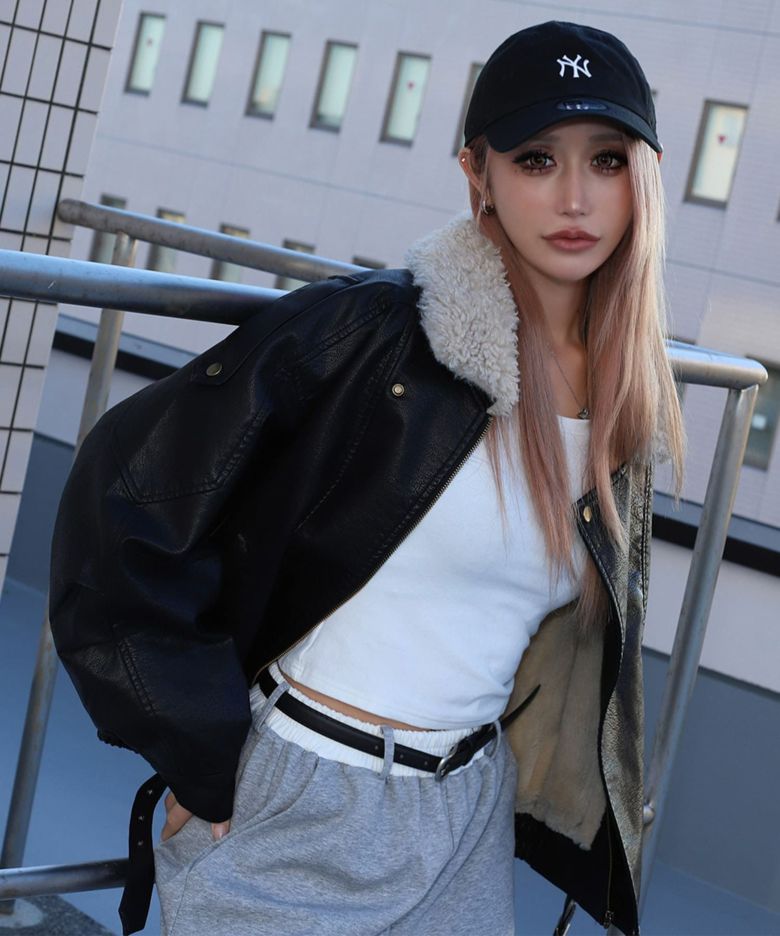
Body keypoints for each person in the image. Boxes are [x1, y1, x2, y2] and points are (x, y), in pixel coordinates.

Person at [49, 19, 684, 936]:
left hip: (466, 814)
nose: (577, 197)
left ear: (644, 181)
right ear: (479, 176)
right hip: (304, 796)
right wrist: (199, 748)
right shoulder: (377, 337)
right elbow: (127, 497)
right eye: (538, 159)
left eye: (609, 160)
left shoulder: (626, 403)